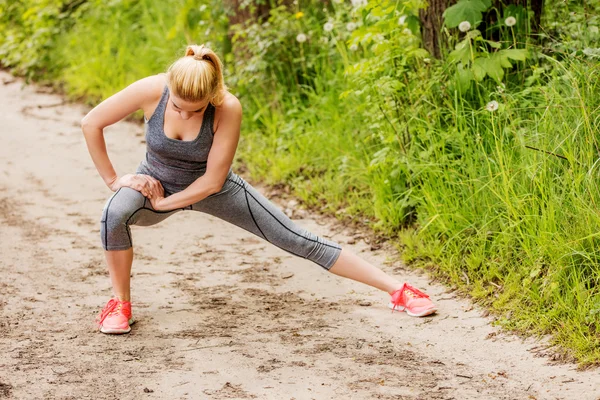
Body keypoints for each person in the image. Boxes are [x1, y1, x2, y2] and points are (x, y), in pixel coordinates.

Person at [81, 44, 437, 335]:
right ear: (168, 88)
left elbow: (212, 181)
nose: (186, 115)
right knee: (114, 213)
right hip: (155, 181)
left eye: (196, 110)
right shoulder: (151, 89)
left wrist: (165, 204)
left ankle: (399, 291)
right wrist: (116, 180)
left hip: (211, 189)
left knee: (295, 237)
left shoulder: (228, 107)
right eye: (177, 107)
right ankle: (120, 305)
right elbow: (91, 122)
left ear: (211, 98)